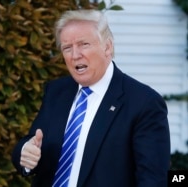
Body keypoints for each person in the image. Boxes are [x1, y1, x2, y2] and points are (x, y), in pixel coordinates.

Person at [12, 9, 170, 187]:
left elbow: (154, 180)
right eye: (67, 48)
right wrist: (25, 152)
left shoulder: (143, 102)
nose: (75, 55)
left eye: (84, 44)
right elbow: (32, 142)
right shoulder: (56, 91)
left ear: (107, 47)